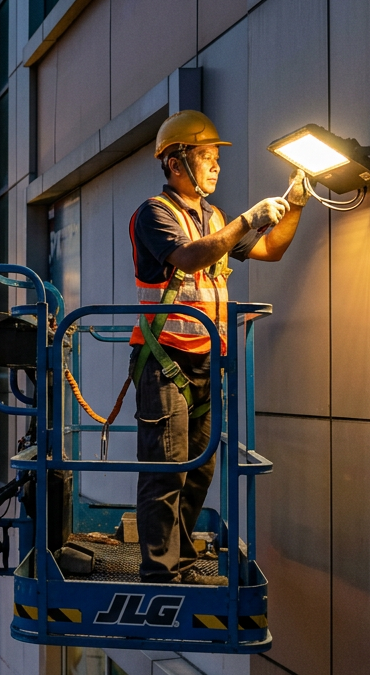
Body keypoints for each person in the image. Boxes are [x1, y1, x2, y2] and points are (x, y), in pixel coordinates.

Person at [130, 110, 307, 585]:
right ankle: (161, 570)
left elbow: (271, 250)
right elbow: (190, 256)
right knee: (167, 466)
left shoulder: (213, 217)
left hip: (207, 358)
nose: (216, 167)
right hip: (165, 357)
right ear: (174, 163)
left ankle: (181, 555)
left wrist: (294, 207)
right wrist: (249, 218)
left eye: (215, 159)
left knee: (201, 467)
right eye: (205, 157)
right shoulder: (155, 213)